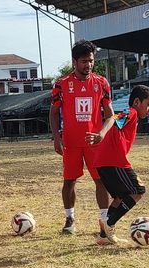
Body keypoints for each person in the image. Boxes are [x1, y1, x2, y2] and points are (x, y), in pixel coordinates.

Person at [49, 40, 114, 236]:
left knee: (101, 181)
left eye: (91, 61)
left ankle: (105, 220)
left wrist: (101, 134)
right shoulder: (61, 84)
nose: (89, 65)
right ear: (75, 61)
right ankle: (70, 219)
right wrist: (56, 138)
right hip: (70, 142)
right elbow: (53, 113)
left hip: (94, 143)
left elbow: (110, 115)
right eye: (84, 61)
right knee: (69, 181)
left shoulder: (102, 83)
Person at [86, 85, 149, 245]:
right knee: (138, 190)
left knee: (118, 198)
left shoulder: (133, 116)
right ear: (137, 102)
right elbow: (114, 119)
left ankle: (104, 236)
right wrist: (101, 135)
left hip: (102, 162)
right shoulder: (131, 112)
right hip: (113, 161)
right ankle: (109, 223)